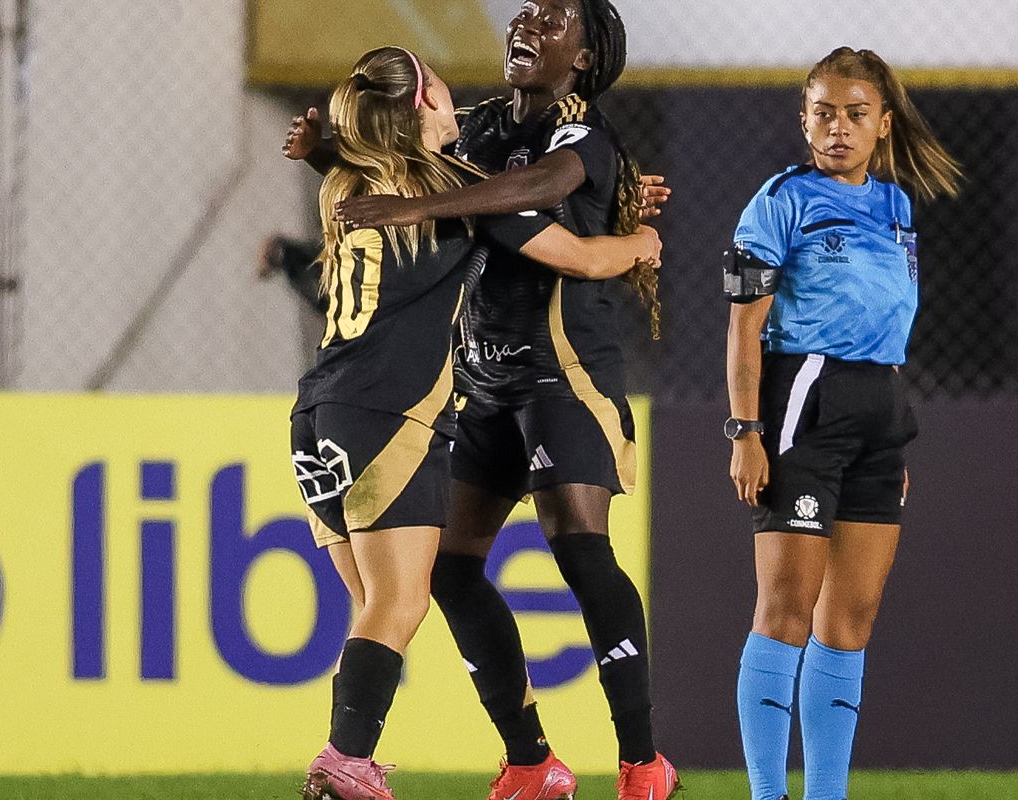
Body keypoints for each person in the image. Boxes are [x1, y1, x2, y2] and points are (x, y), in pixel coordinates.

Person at [290, 45, 660, 800]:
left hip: (316, 415)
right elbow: (580, 257)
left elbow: (380, 176)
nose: (453, 92)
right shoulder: (456, 192)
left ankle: (525, 764)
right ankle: (344, 758)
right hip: (389, 414)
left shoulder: (347, 184)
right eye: (439, 83)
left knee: (377, 608)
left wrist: (326, 148)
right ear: (423, 102)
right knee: (399, 603)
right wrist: (641, 242)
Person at [724, 46, 960, 800]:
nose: (838, 127)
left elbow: (887, 321)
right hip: (806, 402)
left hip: (881, 413)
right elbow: (743, 327)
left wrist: (888, 439)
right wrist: (745, 432)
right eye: (823, 113)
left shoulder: (896, 207)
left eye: (855, 114)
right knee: (785, 612)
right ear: (804, 119)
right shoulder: (779, 201)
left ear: (882, 124)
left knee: (850, 622)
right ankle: (768, 794)